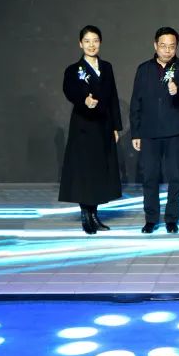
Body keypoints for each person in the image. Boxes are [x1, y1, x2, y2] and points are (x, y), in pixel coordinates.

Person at [129, 27, 179, 234]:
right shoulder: (144, 69)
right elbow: (136, 101)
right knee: (150, 177)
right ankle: (151, 219)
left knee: (175, 177)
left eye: (171, 46)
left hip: (175, 131)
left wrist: (177, 88)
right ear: (155, 45)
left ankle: (171, 219)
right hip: (149, 132)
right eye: (163, 46)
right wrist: (136, 132)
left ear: (176, 47)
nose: (167, 50)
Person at [58, 25, 123, 234]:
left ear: (100, 42)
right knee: (85, 172)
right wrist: (83, 100)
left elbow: (112, 97)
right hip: (84, 127)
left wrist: (116, 126)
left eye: (95, 41)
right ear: (80, 44)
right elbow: (69, 90)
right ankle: (86, 216)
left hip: (103, 125)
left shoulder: (107, 67)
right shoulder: (73, 70)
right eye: (87, 41)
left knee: (98, 172)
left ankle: (95, 214)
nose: (91, 45)